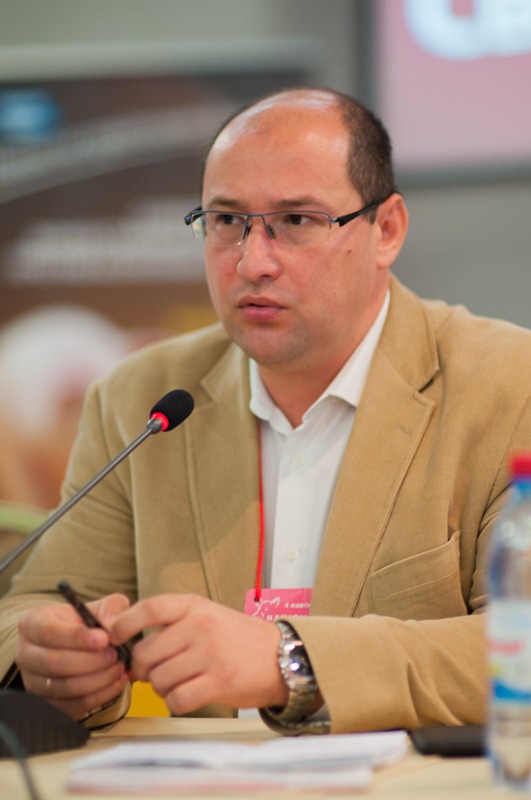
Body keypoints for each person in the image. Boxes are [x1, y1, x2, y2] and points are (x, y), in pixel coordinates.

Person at [1, 87, 531, 735]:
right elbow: (34, 604)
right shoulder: (139, 398)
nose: (252, 262)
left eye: (296, 220)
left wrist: (293, 660)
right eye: (226, 221)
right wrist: (50, 661)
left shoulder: (511, 387)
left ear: (386, 230)